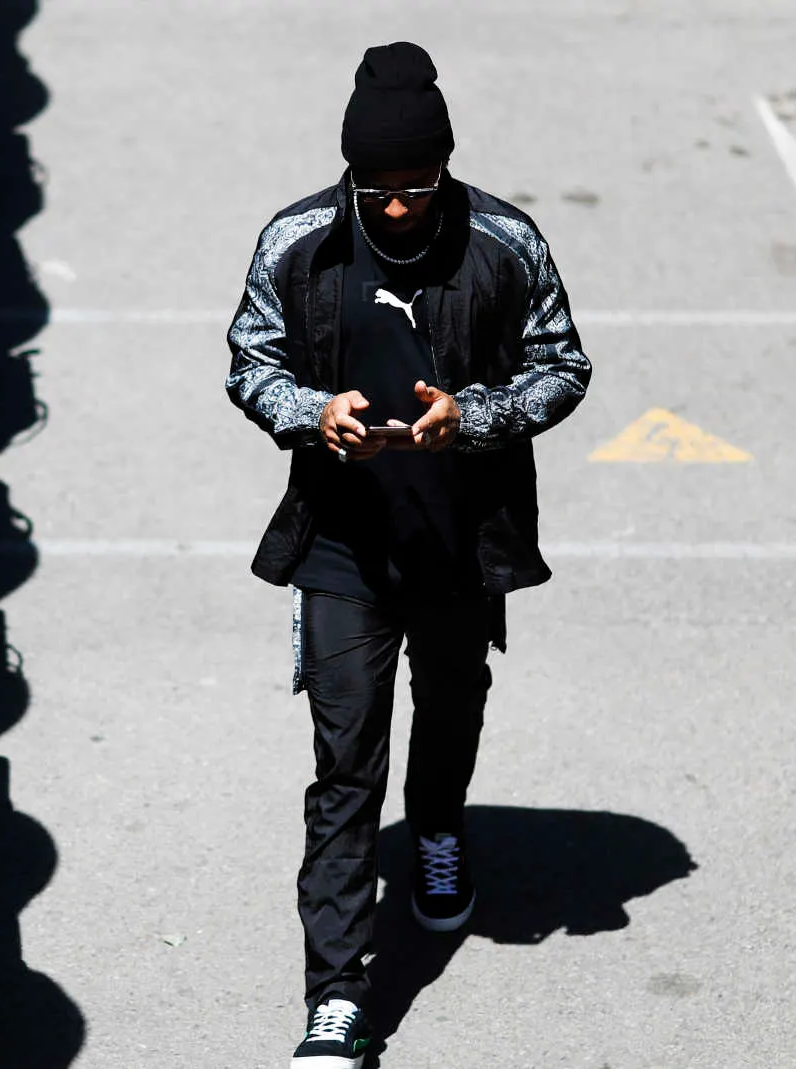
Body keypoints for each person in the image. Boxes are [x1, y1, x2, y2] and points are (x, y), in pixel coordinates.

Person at [223, 41, 593, 1068]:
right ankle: (336, 997)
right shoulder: (296, 241)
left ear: (445, 166)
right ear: (350, 173)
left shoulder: (505, 241)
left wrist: (471, 417)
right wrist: (311, 412)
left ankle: (436, 826)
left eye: (416, 185)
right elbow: (249, 362)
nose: (396, 208)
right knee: (343, 763)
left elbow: (562, 366)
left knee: (453, 700)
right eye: (376, 187)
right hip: (341, 543)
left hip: (462, 539)